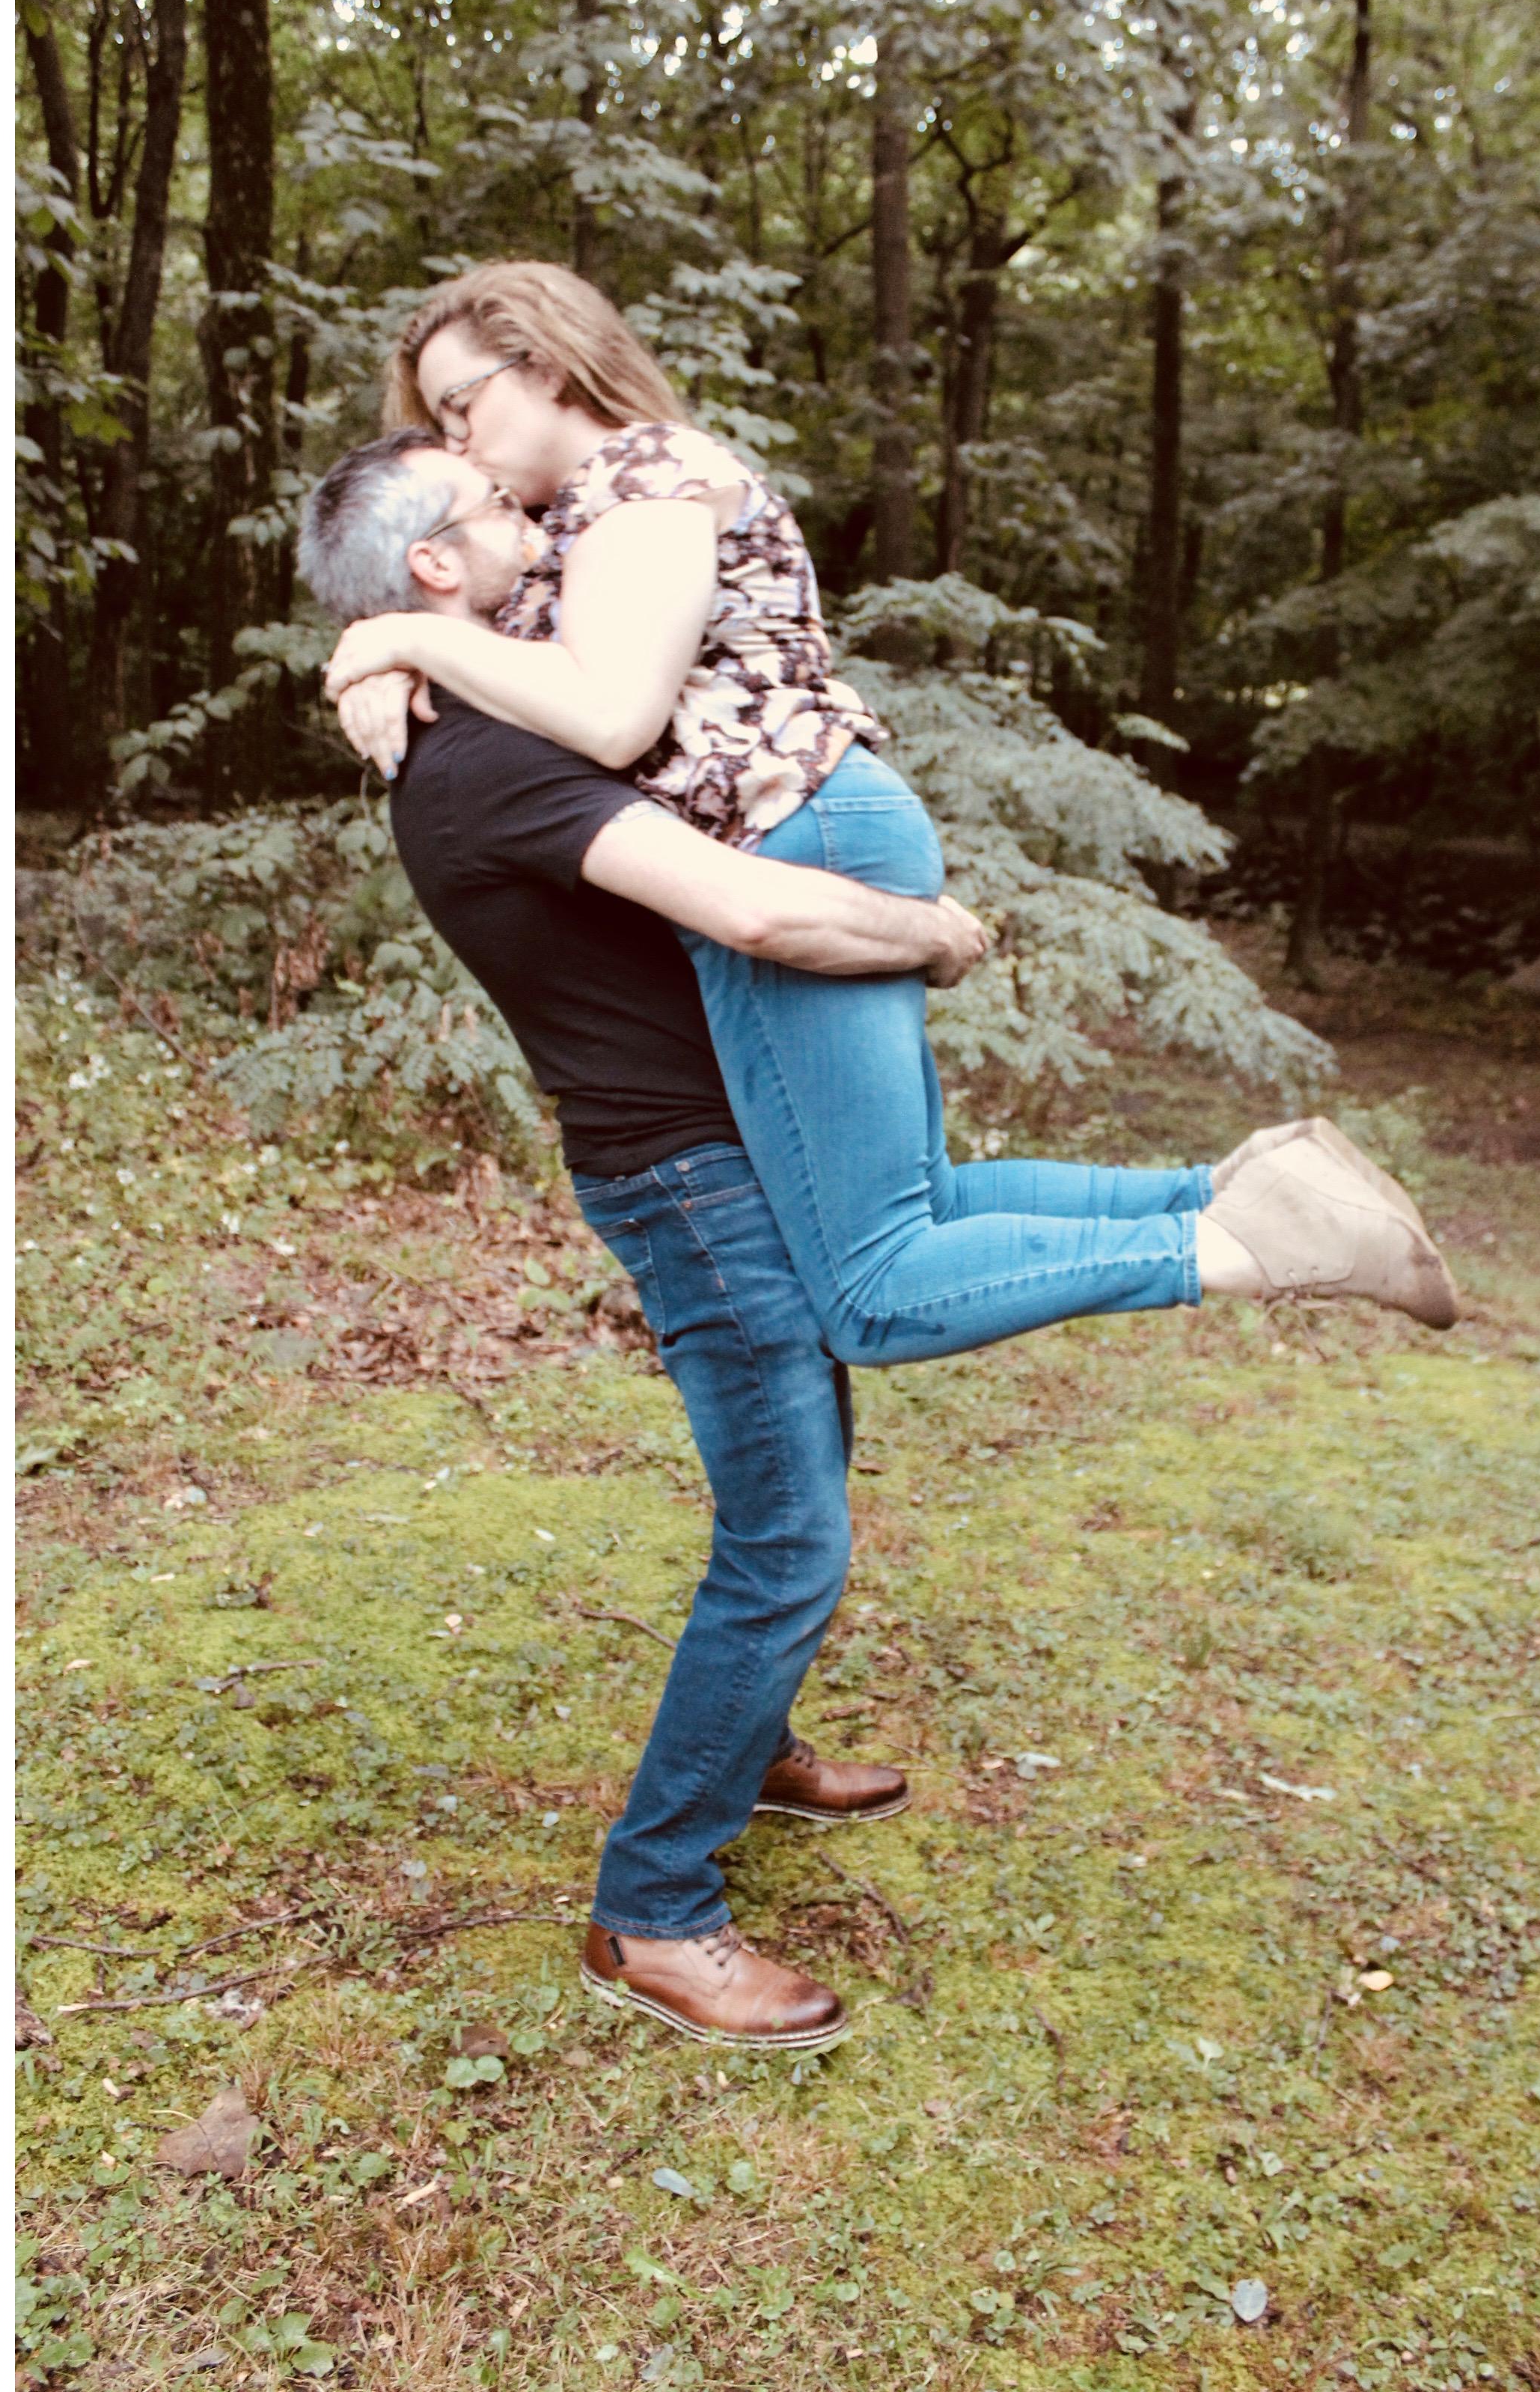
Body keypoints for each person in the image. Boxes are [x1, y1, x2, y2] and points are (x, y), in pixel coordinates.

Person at [293, 429, 1445, 2052]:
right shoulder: (491, 764)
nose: (534, 528)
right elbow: (757, 912)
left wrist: (376, 653)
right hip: (688, 1179)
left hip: (728, 1140)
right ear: (434, 569)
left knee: (916, 1245)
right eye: (497, 514)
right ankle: (654, 1909)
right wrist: (937, 934)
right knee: (789, 1537)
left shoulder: (473, 714)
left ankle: (749, 1744)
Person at [317, 261, 1461, 1353]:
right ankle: (1249, 1190)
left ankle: (1267, 1249)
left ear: (546, 366)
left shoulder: (645, 482)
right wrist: (392, 661)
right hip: (809, 825)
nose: (452, 441)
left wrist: (410, 637)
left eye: (461, 406)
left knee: (872, 1289)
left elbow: (611, 715)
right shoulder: (575, 517)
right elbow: (510, 641)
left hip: (791, 838)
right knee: (931, 1199)